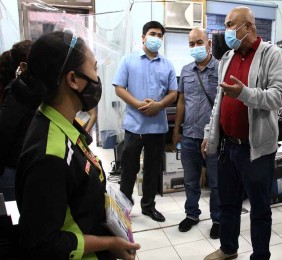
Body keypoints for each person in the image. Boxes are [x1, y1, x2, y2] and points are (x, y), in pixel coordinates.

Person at [15, 31, 140, 259]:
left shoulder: (62, 123)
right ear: (73, 80)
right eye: (94, 68)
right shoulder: (49, 154)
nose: (98, 78)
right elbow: (43, 243)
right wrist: (109, 242)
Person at [202, 6, 282, 260]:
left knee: (259, 208)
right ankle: (228, 248)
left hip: (256, 149)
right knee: (227, 203)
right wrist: (210, 132)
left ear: (249, 27)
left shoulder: (272, 55)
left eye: (230, 25)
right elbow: (219, 99)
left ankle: (260, 255)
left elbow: (280, 96)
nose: (226, 31)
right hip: (228, 146)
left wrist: (244, 93)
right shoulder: (227, 57)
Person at [113, 21, 178, 222]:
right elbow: (119, 88)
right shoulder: (128, 60)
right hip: (134, 126)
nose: (156, 38)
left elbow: (174, 93)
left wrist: (158, 106)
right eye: (152, 34)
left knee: (152, 169)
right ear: (143, 37)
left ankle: (149, 206)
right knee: (129, 169)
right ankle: (123, 208)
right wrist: (140, 105)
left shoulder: (167, 65)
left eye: (159, 35)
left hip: (157, 128)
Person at [172, 27, 220, 238]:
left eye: (198, 42)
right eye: (191, 44)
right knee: (191, 180)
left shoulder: (221, 69)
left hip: (214, 138)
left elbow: (224, 103)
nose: (195, 47)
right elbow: (181, 101)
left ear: (208, 43)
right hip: (190, 134)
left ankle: (217, 218)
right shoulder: (185, 70)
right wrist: (176, 130)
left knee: (216, 182)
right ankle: (192, 214)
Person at [0, 40, 34, 201]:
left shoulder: (35, 90)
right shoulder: (16, 92)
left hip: (28, 167)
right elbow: (4, 133)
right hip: (13, 169)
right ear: (23, 66)